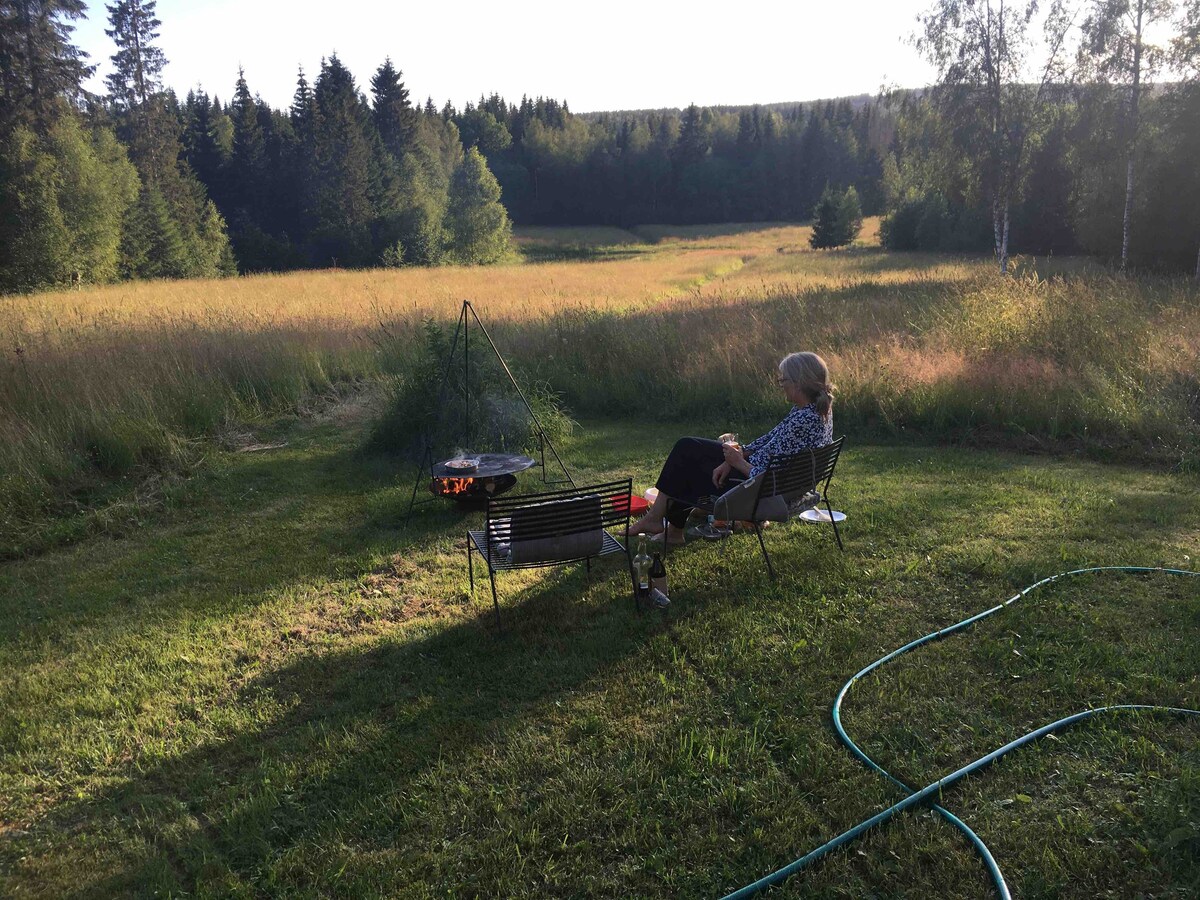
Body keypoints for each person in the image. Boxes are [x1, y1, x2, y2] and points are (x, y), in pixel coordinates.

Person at [627, 351, 834, 544]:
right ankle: (665, 525)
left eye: (784, 379)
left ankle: (668, 528)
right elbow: (769, 439)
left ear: (800, 382)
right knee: (687, 446)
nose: (780, 384)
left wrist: (737, 462)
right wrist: (737, 454)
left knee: (688, 465)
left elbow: (766, 478)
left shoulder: (804, 419)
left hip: (757, 488)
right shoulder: (814, 410)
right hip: (768, 478)